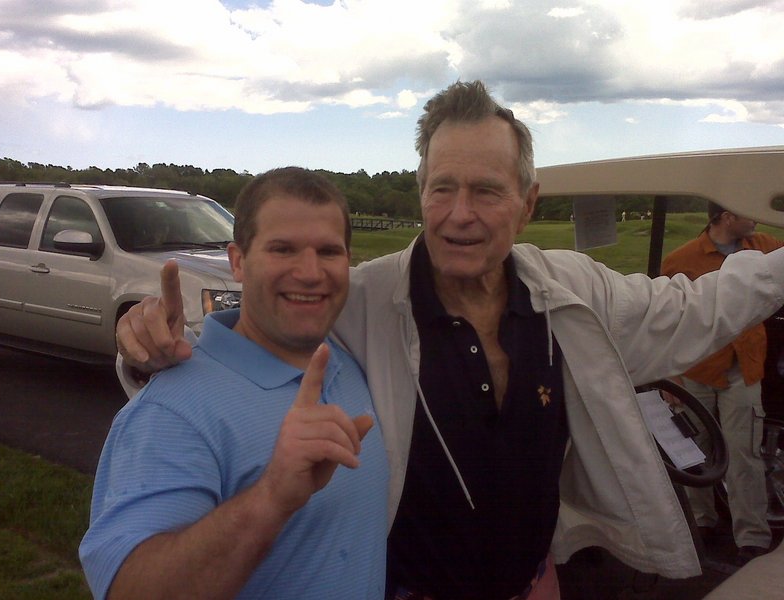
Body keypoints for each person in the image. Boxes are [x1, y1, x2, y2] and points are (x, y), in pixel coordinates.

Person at [116, 81, 784, 600]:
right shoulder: (367, 297)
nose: (460, 215)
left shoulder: (572, 293)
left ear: (527, 203)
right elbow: (269, 322)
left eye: (487, 191)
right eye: (442, 189)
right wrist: (148, 342)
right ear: (421, 194)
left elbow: (697, 306)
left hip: (536, 585)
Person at [80, 167, 389, 599]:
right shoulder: (171, 411)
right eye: (283, 249)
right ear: (238, 261)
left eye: (328, 251)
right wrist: (272, 497)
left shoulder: (350, 362)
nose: (310, 272)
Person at [661, 201, 783, 566]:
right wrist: (669, 377)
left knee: (743, 452)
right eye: (749, 210)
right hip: (696, 369)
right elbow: (666, 320)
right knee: (694, 450)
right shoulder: (681, 259)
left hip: (742, 369)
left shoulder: (763, 246)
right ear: (727, 217)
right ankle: (703, 522)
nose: (756, 217)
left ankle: (753, 539)